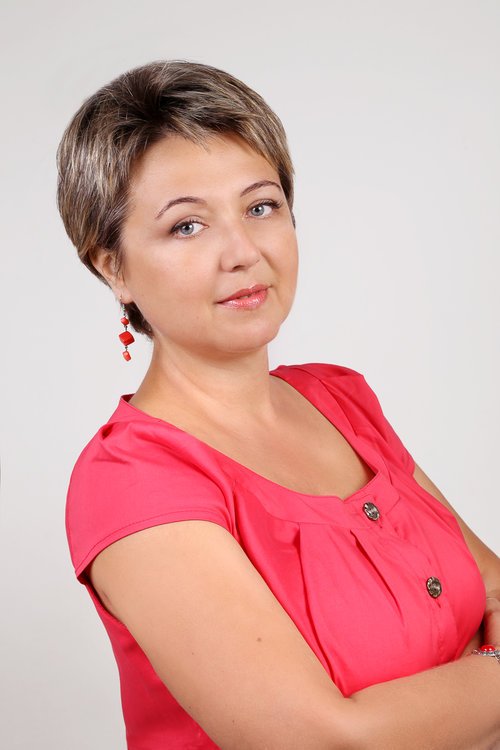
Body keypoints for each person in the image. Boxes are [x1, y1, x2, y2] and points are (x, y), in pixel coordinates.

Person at [57, 60, 500, 749]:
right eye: (187, 226)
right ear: (113, 267)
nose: (243, 251)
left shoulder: (338, 398)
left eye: (260, 207)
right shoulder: (131, 480)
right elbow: (323, 740)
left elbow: (491, 589)